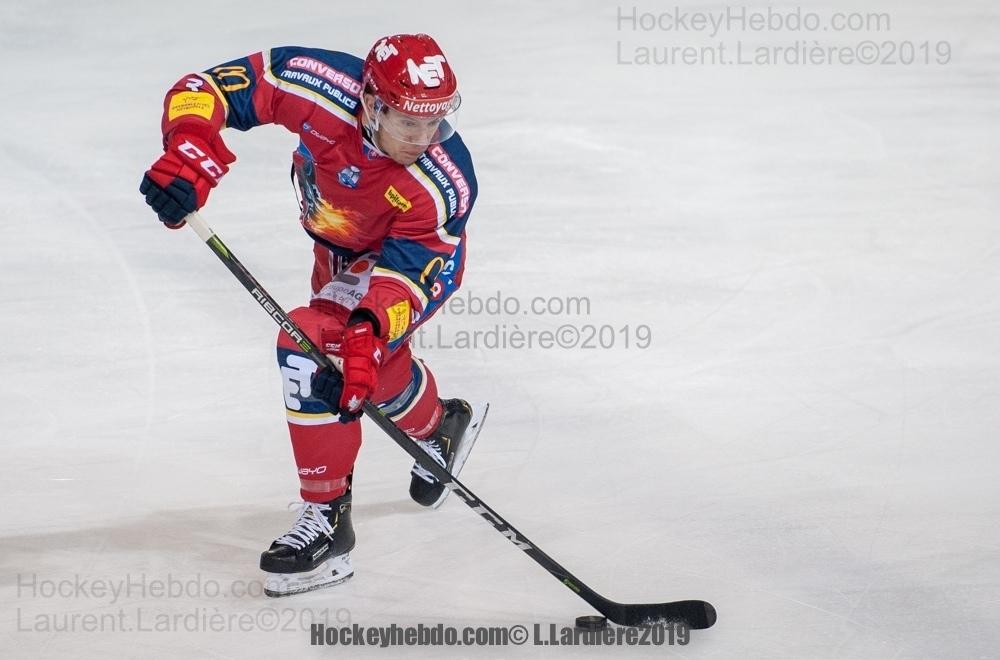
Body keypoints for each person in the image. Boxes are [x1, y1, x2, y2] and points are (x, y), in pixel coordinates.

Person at [140, 34, 487, 596]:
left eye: (435, 123)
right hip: (334, 247)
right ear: (371, 103)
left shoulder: (443, 181)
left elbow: (411, 272)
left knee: (316, 348)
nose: (423, 139)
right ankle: (438, 424)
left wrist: (371, 329)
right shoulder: (318, 83)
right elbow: (206, 88)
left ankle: (328, 522)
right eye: (408, 123)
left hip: (399, 266)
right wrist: (188, 147)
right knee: (356, 376)